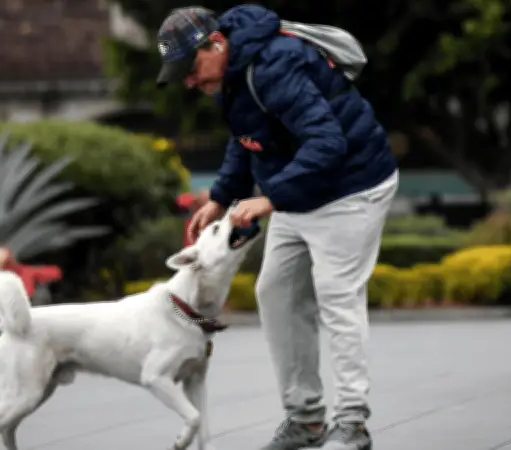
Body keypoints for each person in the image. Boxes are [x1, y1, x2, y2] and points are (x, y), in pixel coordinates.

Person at [155, 5, 398, 450]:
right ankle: (305, 420)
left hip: (351, 185)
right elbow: (246, 138)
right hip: (299, 188)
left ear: (216, 44)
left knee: (336, 294)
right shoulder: (231, 75)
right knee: (276, 293)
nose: (189, 82)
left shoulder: (276, 63)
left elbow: (328, 141)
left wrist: (269, 198)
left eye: (190, 68)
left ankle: (351, 422)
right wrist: (220, 197)